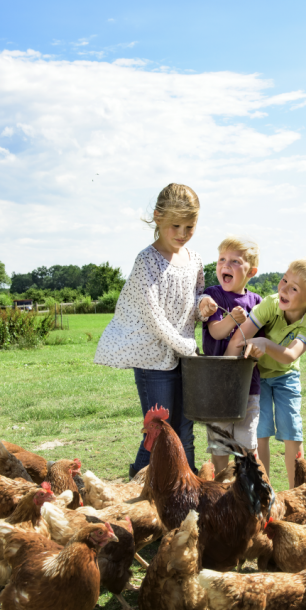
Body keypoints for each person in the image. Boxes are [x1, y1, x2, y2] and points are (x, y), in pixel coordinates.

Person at [94, 183, 217, 477]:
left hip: (185, 359)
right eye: (176, 225)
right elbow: (154, 317)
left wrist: (203, 304)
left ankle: (186, 494)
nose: (183, 233)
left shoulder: (195, 259)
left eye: (190, 226)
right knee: (159, 432)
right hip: (153, 359)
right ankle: (133, 488)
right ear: (158, 217)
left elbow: (194, 297)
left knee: (184, 432)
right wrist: (186, 346)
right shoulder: (146, 261)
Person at [225, 256, 306, 488]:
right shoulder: (270, 304)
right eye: (284, 280)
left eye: (293, 288)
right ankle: (265, 490)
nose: (283, 288)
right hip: (258, 376)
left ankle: (297, 491)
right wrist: (226, 372)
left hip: (286, 377)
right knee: (260, 431)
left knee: (291, 429)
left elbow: (290, 355)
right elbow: (239, 337)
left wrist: (264, 343)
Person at [202, 237, 262, 473]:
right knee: (220, 445)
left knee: (247, 444)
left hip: (248, 385)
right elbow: (215, 333)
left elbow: (257, 341)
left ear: (252, 271)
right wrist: (230, 320)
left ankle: (245, 488)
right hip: (217, 385)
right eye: (222, 259)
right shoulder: (213, 295)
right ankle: (220, 486)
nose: (225, 265)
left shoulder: (256, 301)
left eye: (235, 261)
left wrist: (255, 350)